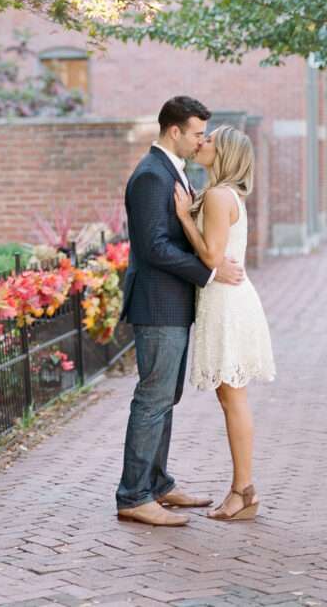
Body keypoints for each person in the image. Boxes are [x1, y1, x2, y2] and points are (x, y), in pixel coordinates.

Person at [115, 96, 245, 528]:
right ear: (174, 131)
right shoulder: (152, 175)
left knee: (165, 397)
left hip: (173, 303)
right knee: (152, 399)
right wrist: (209, 273)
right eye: (195, 133)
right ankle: (134, 495)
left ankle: (157, 484)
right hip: (157, 305)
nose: (200, 140)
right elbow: (154, 247)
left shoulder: (173, 171)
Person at [173, 125, 276, 520]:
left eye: (210, 139)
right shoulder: (224, 194)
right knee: (230, 397)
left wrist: (184, 217)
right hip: (227, 300)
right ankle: (242, 490)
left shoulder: (218, 196)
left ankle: (243, 491)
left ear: (226, 153)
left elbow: (213, 258)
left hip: (227, 304)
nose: (202, 142)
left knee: (233, 398)